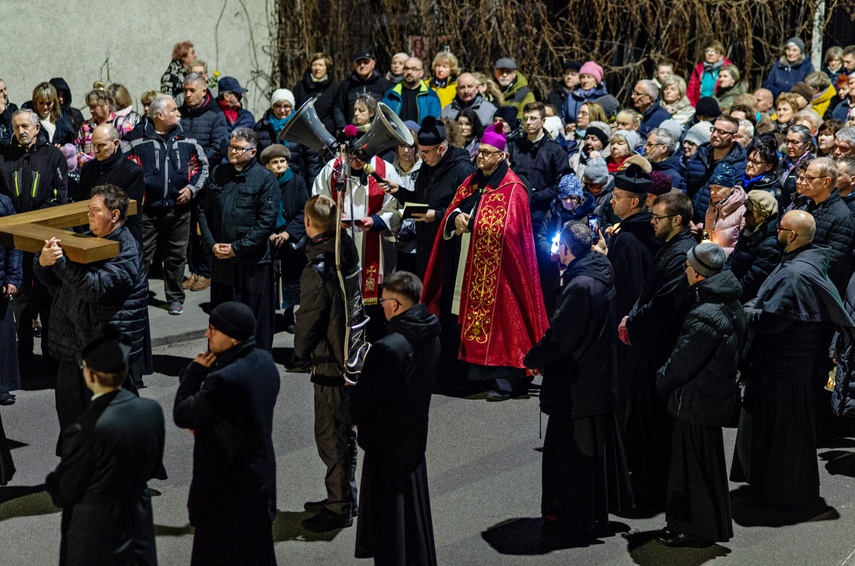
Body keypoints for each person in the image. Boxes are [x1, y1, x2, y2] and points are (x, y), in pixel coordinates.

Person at [732, 210, 853, 507]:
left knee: (779, 439)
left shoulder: (795, 274)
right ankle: (780, 491)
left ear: (794, 235)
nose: (776, 233)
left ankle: (778, 495)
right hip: (790, 366)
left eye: (781, 229)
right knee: (786, 438)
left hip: (780, 367)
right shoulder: (802, 264)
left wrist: (747, 311)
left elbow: (775, 319)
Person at [422, 122, 549, 401]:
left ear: (502, 156)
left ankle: (505, 380)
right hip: (464, 261)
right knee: (457, 317)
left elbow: (509, 232)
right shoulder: (472, 182)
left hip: (500, 274)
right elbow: (453, 210)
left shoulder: (514, 188)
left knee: (503, 322)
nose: (480, 158)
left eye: (487, 153)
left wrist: (475, 223)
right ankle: (463, 375)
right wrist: (455, 218)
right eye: (479, 152)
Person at [527, 221, 636, 540]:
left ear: (565, 249)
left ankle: (573, 517)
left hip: (576, 385)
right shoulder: (600, 269)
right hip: (597, 378)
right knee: (590, 455)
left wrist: (533, 359)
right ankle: (591, 513)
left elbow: (561, 336)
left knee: (571, 458)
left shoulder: (579, 286)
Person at [46, 326, 165, 566]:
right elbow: (153, 464)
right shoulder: (151, 411)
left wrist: (52, 481)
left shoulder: (84, 429)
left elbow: (65, 489)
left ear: (90, 375)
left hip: (96, 529)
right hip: (137, 518)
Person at [35, 184, 150, 433]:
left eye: (95, 211)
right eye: (88, 209)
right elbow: (58, 282)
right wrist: (44, 262)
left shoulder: (126, 251)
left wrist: (61, 264)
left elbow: (93, 288)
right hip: (75, 346)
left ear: (115, 215)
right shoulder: (92, 239)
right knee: (72, 417)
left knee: (109, 425)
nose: (89, 215)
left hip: (102, 351)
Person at [174, 302, 280, 565]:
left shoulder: (225, 379)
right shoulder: (265, 362)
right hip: (259, 485)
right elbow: (242, 413)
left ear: (233, 337)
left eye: (213, 329)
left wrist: (194, 372)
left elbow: (183, 414)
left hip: (227, 498)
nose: (207, 335)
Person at [655, 243, 746, 547]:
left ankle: (689, 528)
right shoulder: (729, 301)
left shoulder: (705, 313)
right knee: (707, 467)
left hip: (695, 400)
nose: (683, 270)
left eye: (686, 266)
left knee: (689, 471)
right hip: (714, 394)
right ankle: (709, 525)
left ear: (697, 273)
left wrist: (661, 380)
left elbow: (682, 362)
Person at [349, 271, 440, 565]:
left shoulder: (388, 348)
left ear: (397, 306)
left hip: (386, 444)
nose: (382, 307)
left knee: (389, 524)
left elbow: (361, 402)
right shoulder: (431, 332)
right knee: (413, 517)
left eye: (385, 301)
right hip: (414, 436)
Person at [619, 190, 695, 506]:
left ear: (677, 220)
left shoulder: (681, 254)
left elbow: (664, 303)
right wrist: (631, 316)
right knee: (643, 413)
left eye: (657, 217)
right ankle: (643, 474)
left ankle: (655, 485)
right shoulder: (670, 247)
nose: (652, 222)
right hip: (648, 342)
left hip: (660, 347)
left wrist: (632, 323)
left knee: (655, 418)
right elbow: (647, 290)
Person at [293, 195, 361, 532]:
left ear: (308, 224)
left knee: (330, 436)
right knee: (343, 432)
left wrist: (299, 352)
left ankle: (339, 506)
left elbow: (309, 319)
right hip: (350, 352)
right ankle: (346, 496)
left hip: (329, 358)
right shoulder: (345, 248)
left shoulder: (317, 268)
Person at [124, 94, 209, 315]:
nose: (179, 112)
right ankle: (136, 296)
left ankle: (175, 298)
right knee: (141, 256)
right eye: (173, 110)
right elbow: (124, 170)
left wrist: (191, 189)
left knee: (176, 257)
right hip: (147, 212)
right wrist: (137, 193)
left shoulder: (187, 139)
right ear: (160, 115)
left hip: (179, 210)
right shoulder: (135, 140)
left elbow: (202, 166)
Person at [198, 128, 279, 352]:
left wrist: (237, 248)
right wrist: (211, 244)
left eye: (238, 148)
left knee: (253, 318)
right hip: (222, 260)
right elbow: (204, 211)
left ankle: (255, 364)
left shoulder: (265, 178)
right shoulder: (217, 173)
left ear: (252, 152)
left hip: (253, 263)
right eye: (231, 147)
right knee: (223, 317)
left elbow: (266, 222)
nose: (232, 152)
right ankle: (220, 360)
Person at [1, 109, 68, 365]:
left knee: (47, 296)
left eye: (26, 126)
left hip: (44, 239)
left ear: (37, 128)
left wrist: (36, 220)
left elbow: (60, 196)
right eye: (17, 127)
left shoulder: (53, 156)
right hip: (14, 240)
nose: (21, 131)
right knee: (20, 299)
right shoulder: (4, 156)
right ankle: (23, 356)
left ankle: (51, 354)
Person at [262, 144, 307, 333]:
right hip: (268, 236)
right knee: (270, 279)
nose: (280, 165)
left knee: (291, 278)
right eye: (275, 162)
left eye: (282, 161)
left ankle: (289, 315)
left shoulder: (297, 181)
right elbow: (259, 211)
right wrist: (270, 233)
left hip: (290, 237)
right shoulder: (263, 182)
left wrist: (288, 233)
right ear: (267, 166)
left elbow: (303, 210)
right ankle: (269, 316)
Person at [508, 101, 570, 234]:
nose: (529, 122)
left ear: (543, 121)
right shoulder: (514, 147)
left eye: (533, 118)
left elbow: (562, 183)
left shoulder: (555, 151)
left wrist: (535, 196)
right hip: (514, 212)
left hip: (542, 214)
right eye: (525, 119)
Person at [78, 124, 145, 247]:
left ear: (116, 143)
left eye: (101, 145)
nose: (96, 150)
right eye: (94, 145)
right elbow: (81, 203)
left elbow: (129, 215)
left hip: (122, 240)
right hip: (90, 236)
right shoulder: (88, 169)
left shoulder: (132, 172)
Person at [725, 189, 781, 302]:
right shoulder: (749, 230)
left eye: (750, 212)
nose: (744, 215)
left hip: (743, 298)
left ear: (763, 215)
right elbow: (732, 258)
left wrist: (728, 292)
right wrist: (723, 280)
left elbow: (752, 281)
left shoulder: (771, 244)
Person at [334, 49, 391, 132]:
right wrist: (344, 128)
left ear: (373, 63)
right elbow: (338, 107)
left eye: (365, 62)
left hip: (376, 132)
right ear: (353, 65)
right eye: (359, 63)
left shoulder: (384, 84)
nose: (362, 65)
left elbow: (389, 109)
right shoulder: (346, 85)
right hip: (352, 133)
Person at [0, 190, 20, 406]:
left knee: (3, 340)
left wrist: (13, 278)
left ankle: (2, 387)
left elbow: (14, 245)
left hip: (1, 282)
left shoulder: (4, 204)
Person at [381, 57, 442, 123]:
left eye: (414, 69)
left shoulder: (431, 96)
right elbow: (383, 120)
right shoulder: (391, 94)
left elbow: (435, 123)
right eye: (406, 68)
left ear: (421, 73)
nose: (409, 72)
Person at [293, 52, 338, 137]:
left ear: (327, 68)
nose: (317, 68)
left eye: (321, 65)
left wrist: (327, 126)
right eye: (314, 65)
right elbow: (294, 110)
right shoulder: (300, 86)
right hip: (303, 133)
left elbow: (336, 112)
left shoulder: (334, 88)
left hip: (325, 133)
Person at [704, 162, 746, 253]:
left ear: (731, 189)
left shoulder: (743, 211)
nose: (712, 192)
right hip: (709, 258)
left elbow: (744, 244)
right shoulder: (711, 209)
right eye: (711, 188)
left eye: (718, 188)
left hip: (729, 261)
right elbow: (706, 233)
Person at [687, 40, 732, 106]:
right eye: (708, 51)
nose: (710, 54)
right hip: (699, 106)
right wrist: (694, 107)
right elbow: (690, 91)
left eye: (714, 52)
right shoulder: (699, 69)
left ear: (721, 55)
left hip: (719, 105)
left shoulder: (727, 69)